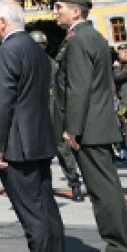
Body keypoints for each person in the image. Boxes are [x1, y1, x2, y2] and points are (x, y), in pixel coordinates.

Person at [0, 0, 67, 252]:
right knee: (46, 207)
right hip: (38, 138)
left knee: (31, 212)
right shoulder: (35, 49)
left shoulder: (7, 52)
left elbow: (3, 103)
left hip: (16, 144)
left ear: (4, 22)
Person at [53, 0, 127, 252]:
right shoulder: (91, 37)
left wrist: (72, 130)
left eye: (60, 7)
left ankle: (119, 248)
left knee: (103, 191)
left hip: (88, 127)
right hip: (97, 124)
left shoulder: (79, 40)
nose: (56, 12)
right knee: (107, 188)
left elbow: (79, 88)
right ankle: (120, 245)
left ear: (76, 11)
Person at [31, 30, 84, 202]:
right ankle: (41, 186)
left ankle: (74, 184)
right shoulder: (31, 63)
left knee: (61, 148)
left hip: (51, 105)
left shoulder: (51, 64)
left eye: (41, 46)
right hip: (37, 106)